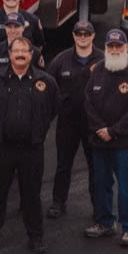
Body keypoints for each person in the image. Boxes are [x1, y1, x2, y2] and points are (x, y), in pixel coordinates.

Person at [0, 38, 59, 254]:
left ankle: (36, 237)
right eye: (17, 51)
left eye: (25, 50)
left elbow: (52, 110)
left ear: (32, 55)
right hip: (1, 148)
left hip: (31, 149)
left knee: (31, 195)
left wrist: (38, 130)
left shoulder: (46, 82)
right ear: (9, 54)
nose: (21, 54)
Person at [84, 30, 128, 248]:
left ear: (126, 47)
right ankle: (104, 222)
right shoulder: (98, 71)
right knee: (101, 183)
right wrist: (100, 129)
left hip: (125, 142)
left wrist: (114, 131)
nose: (114, 50)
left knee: (126, 186)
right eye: (110, 46)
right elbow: (89, 104)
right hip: (99, 141)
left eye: (118, 46)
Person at [46, 21, 102, 220]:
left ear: (93, 36)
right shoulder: (61, 60)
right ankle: (58, 202)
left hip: (93, 125)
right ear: (73, 35)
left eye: (87, 33)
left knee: (96, 166)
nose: (83, 37)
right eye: (79, 33)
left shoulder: (103, 59)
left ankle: (99, 206)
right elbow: (47, 87)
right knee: (63, 164)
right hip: (67, 123)